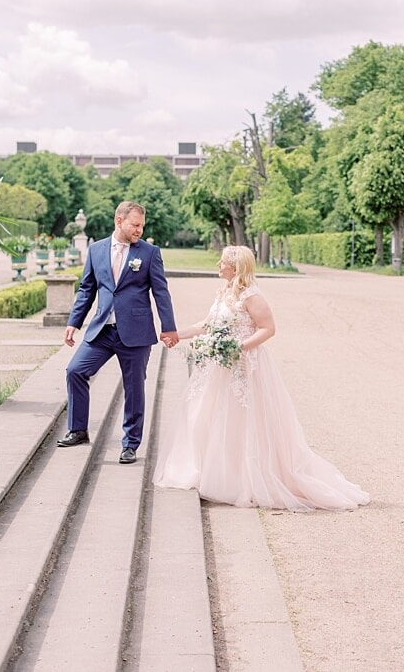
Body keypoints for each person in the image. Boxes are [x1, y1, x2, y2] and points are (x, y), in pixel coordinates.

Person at [154, 245, 369, 511]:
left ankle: (237, 480)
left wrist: (239, 347)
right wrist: (178, 335)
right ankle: (205, 473)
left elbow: (268, 329)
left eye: (222, 263)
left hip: (244, 365)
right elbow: (208, 324)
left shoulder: (251, 296)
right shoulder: (224, 292)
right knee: (206, 416)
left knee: (238, 422)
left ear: (236, 267)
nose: (218, 266)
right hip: (218, 367)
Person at [59, 201, 178, 464]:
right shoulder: (96, 249)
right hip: (102, 331)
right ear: (119, 220)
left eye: (142, 226)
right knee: (75, 371)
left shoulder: (149, 253)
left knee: (134, 388)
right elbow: (87, 289)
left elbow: (161, 292)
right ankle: (78, 429)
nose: (139, 230)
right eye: (135, 225)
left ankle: (130, 444)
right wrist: (74, 322)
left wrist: (168, 327)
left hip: (135, 333)